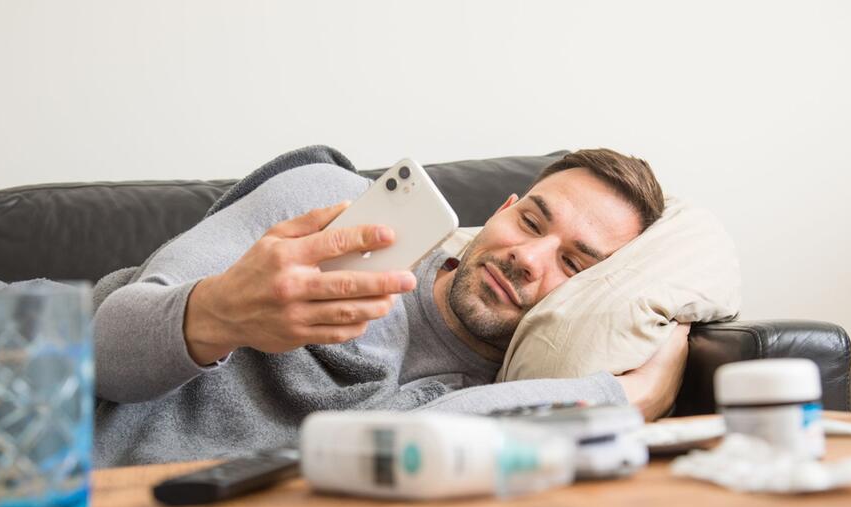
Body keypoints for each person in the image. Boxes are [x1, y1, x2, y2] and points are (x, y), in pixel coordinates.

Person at [92, 149, 688, 467]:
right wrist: (218, 313)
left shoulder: (498, 396)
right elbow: (100, 351)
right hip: (23, 374)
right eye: (529, 221)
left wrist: (626, 395)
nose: (528, 259)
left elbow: (391, 456)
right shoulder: (334, 210)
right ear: (504, 207)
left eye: (575, 265)